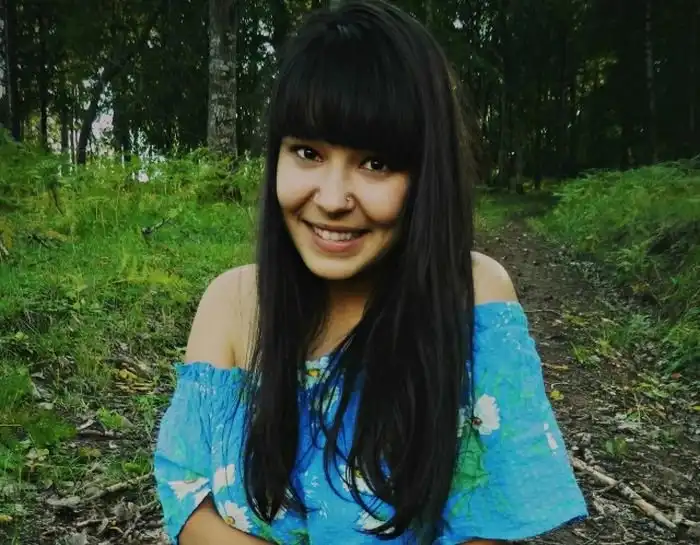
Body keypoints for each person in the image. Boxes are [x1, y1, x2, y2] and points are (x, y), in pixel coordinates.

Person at [153, 1, 589, 544]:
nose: (332, 199)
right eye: (307, 152)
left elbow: (497, 514)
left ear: (426, 172)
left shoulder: (472, 297)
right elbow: (188, 498)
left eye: (375, 163)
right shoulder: (232, 302)